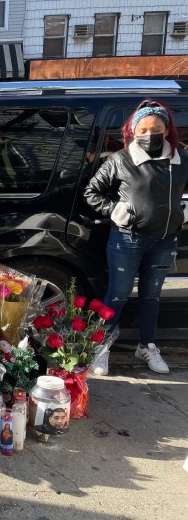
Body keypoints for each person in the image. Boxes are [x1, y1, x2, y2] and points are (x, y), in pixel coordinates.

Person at [85, 99, 188, 375]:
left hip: (165, 239)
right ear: (133, 131)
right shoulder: (121, 159)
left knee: (151, 297)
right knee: (117, 295)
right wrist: (115, 210)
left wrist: (184, 211)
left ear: (166, 130)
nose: (149, 134)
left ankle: (147, 346)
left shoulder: (180, 159)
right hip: (127, 239)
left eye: (155, 128)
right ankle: (101, 347)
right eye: (142, 129)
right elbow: (91, 193)